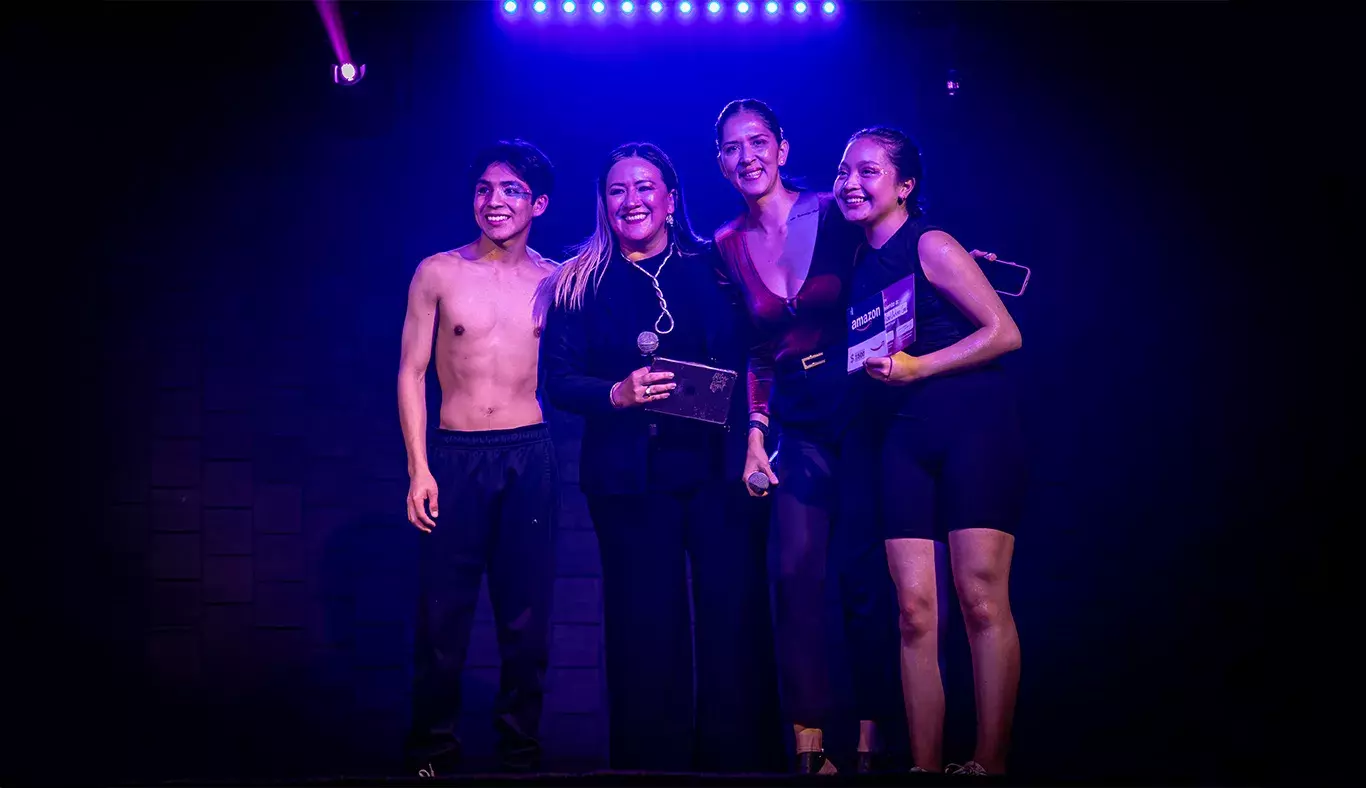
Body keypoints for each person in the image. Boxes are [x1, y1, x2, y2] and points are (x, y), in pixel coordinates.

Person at [538, 142, 782, 772]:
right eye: (618, 190)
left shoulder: (716, 267)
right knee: (645, 627)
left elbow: (751, 356)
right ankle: (652, 766)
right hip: (628, 480)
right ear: (604, 205)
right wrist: (615, 392)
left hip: (717, 471)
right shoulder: (578, 281)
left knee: (732, 619)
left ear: (671, 201)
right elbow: (558, 381)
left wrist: (755, 431)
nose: (632, 200)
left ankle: (739, 764)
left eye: (646, 187)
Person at [711, 98, 903, 775]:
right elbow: (760, 352)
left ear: (783, 148)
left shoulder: (833, 209)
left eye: (758, 141)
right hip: (797, 422)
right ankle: (809, 749)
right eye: (732, 147)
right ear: (720, 162)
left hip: (863, 409)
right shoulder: (727, 244)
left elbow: (892, 265)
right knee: (794, 573)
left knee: (864, 576)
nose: (748, 156)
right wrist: (757, 434)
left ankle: (874, 743)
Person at [835, 126, 1027, 776]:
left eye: (866, 172)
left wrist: (920, 368)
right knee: (914, 611)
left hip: (974, 425)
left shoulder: (933, 243)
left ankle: (988, 763)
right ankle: (923, 766)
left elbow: (1005, 333)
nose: (850, 183)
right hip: (902, 437)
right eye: (843, 172)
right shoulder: (859, 261)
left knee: (978, 598)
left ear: (905, 185)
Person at [397, 139, 561, 776]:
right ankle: (430, 754)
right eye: (485, 189)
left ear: (539, 204)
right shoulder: (437, 272)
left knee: (526, 620)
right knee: (443, 616)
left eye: (512, 190)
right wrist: (419, 468)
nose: (495, 202)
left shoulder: (555, 279)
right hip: (455, 454)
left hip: (528, 454)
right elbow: (411, 373)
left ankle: (519, 753)